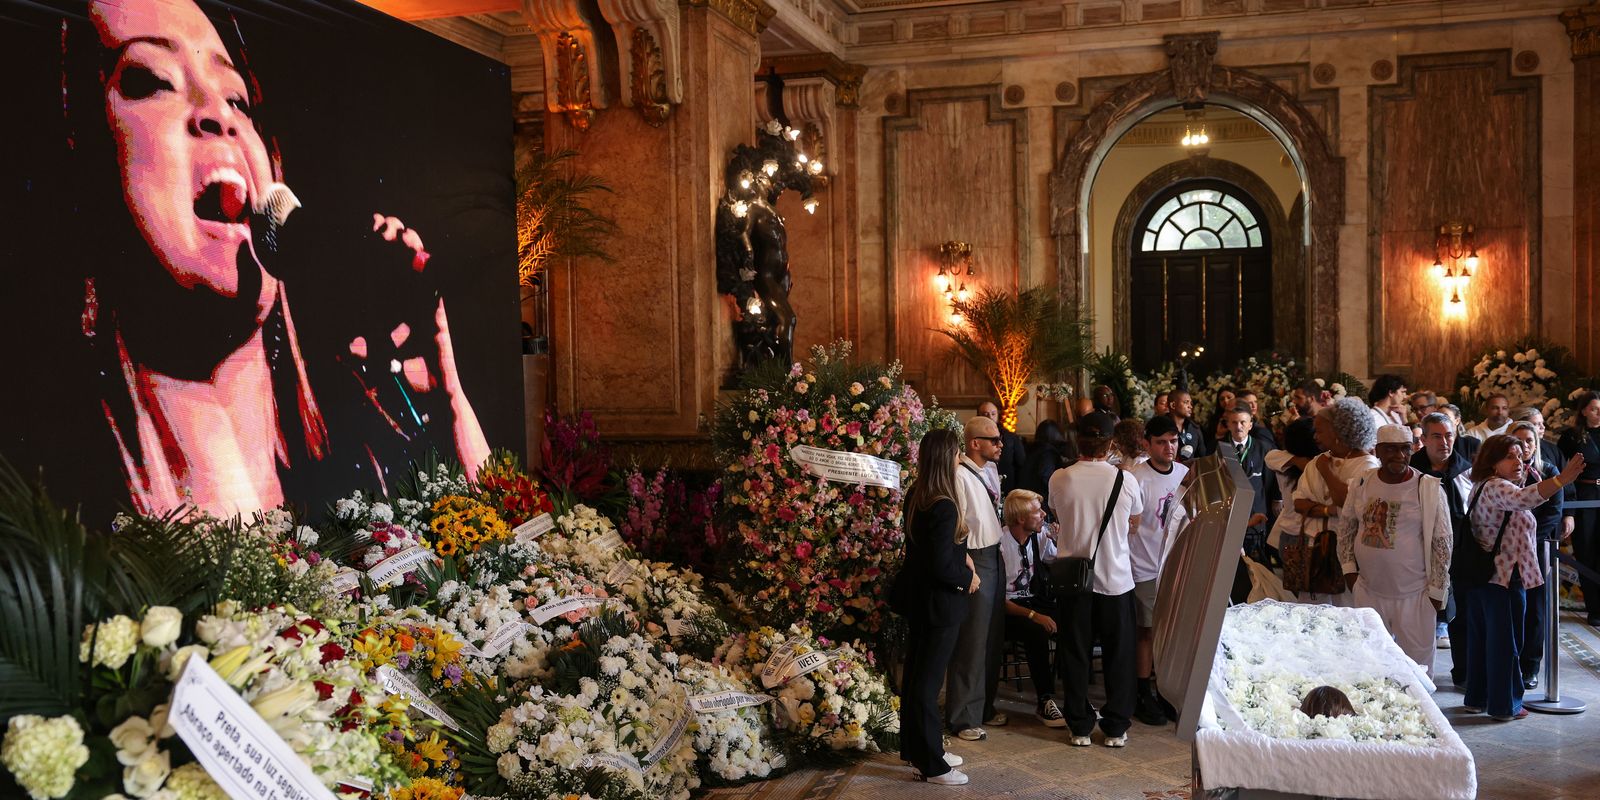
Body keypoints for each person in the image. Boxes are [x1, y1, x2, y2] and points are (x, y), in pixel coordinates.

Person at [62, 0, 490, 519]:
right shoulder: (66, 512)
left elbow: (490, 543)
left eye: (238, 100)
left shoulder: (352, 446)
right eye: (153, 80)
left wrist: (448, 391)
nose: (218, 114)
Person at [1461, 435, 1584, 721]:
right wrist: (1561, 480)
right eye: (1510, 457)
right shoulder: (1497, 487)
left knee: (1483, 641)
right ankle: (1506, 705)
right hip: (1502, 578)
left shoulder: (1483, 485)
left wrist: (1534, 474)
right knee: (1506, 643)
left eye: (1520, 456)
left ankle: (1478, 698)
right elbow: (1522, 498)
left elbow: (1523, 493)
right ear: (1493, 463)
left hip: (1486, 577)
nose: (1519, 462)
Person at [1048, 414, 1143, 748]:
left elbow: (1059, 516)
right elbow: (1136, 519)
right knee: (1119, 655)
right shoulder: (1126, 480)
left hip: (1074, 582)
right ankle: (1116, 727)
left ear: (1079, 442)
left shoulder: (1060, 478)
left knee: (1075, 653)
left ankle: (1079, 726)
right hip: (1116, 579)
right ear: (1110, 443)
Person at [1336, 425, 1452, 677]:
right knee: (1370, 664)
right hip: (1369, 590)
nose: (1398, 456)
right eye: (1390, 449)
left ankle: (1419, 715)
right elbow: (1346, 527)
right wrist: (1350, 572)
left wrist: (1436, 592)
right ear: (1377, 451)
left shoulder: (1428, 487)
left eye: (1404, 449)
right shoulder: (1362, 482)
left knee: (1417, 667)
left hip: (1415, 594)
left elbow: (1442, 542)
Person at [896, 428, 977, 786]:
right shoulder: (943, 504)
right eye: (957, 452)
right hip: (941, 604)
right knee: (926, 685)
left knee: (916, 679)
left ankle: (918, 749)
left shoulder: (918, 495)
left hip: (921, 600)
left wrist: (962, 561)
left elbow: (928, 554)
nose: (961, 457)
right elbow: (941, 565)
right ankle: (933, 766)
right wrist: (966, 578)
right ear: (949, 457)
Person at [1282, 398, 1379, 604]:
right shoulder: (1317, 461)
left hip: (1346, 554)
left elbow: (1344, 500)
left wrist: (1326, 472)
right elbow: (1299, 503)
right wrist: (1329, 510)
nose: (1315, 437)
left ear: (1339, 431)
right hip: (1313, 550)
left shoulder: (1367, 465)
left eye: (1320, 431)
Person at [948, 416, 1007, 740]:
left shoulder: (991, 470)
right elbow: (957, 525)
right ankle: (962, 717)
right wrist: (967, 564)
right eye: (993, 439)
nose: (1000, 444)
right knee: (972, 640)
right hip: (976, 556)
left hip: (995, 553)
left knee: (992, 637)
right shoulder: (959, 474)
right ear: (975, 443)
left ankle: (983, 707)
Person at [1128, 416, 1188, 726]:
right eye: (1162, 442)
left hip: (1175, 565)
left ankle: (1165, 690)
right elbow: (1130, 526)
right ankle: (1142, 692)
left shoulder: (1185, 474)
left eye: (1173, 441)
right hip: (1144, 565)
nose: (1169, 447)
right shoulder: (1137, 478)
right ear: (1148, 444)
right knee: (1147, 632)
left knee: (1170, 632)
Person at [1412, 412, 1475, 679]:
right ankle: (1414, 673)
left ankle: (1464, 672)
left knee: (1462, 616)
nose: (1444, 442)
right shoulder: (1410, 472)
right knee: (1418, 617)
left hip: (1460, 555)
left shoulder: (1467, 472)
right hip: (1417, 556)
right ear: (1423, 439)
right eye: (1436, 436)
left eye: (1449, 435)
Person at [1508, 420, 1568, 689]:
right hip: (1508, 551)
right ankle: (1508, 663)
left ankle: (1530, 667)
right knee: (1510, 608)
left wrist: (1530, 538)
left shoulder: (1549, 472)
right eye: (1518, 441)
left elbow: (1553, 511)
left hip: (1538, 548)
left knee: (1535, 610)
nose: (1525, 446)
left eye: (1529, 441)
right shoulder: (1505, 473)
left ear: (1536, 444)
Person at [997, 489, 1065, 728]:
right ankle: (1044, 700)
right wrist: (1034, 616)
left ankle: (1074, 697)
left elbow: (1054, 560)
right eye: (1037, 511)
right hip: (1008, 608)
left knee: (1072, 624)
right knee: (1036, 631)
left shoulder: (1040, 536)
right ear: (1020, 519)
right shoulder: (1001, 543)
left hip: (1036, 599)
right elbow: (999, 601)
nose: (1044, 515)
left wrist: (1059, 538)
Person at [1558, 391, 1600, 626]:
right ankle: (1594, 609)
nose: (1599, 413)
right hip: (1584, 496)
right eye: (1594, 408)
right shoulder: (1571, 437)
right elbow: (1564, 471)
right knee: (1586, 552)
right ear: (1583, 411)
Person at [1218, 405, 1273, 559]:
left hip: (1257, 518)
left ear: (1250, 424)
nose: (1239, 426)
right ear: (1228, 424)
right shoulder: (1218, 448)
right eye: (1234, 422)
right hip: (1228, 518)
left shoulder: (1264, 448)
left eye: (1243, 422)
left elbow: (1268, 485)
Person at [1019, 420, 1073, 517]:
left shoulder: (1032, 449)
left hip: (1027, 500)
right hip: (1042, 502)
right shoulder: (1048, 452)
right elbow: (1046, 475)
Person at [978, 400, 1027, 495]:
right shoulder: (973, 437)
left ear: (998, 415)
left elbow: (1021, 464)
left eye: (993, 414)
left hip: (1008, 488)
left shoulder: (1010, 437)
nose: (990, 417)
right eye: (985, 414)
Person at [1167, 388, 1209, 462]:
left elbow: (1203, 458)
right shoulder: (1159, 426)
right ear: (1173, 405)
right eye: (1186, 402)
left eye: (1191, 403)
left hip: (1189, 472)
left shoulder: (1195, 429)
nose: (1190, 406)